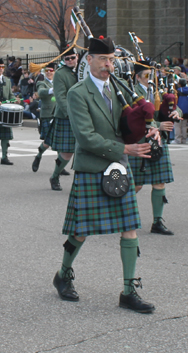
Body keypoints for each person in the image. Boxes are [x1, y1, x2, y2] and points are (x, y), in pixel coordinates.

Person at [52, 36, 158, 314]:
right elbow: (85, 138)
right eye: (102, 59)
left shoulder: (120, 86)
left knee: (129, 227)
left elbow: (140, 113)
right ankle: (63, 274)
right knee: (81, 231)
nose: (108, 65)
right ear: (89, 60)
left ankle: (128, 291)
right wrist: (124, 148)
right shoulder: (77, 93)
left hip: (119, 165)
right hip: (94, 166)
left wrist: (152, 126)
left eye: (111, 60)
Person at [129, 62, 181, 235]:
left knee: (159, 182)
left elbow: (171, 105)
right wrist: (159, 124)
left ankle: (157, 221)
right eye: (145, 75)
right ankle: (114, 213)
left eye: (151, 75)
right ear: (137, 76)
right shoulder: (132, 93)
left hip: (158, 141)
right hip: (141, 140)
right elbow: (132, 119)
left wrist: (176, 112)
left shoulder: (156, 90)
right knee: (136, 185)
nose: (150, 79)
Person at [43, 48, 79, 190]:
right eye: (67, 59)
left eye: (72, 57)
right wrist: (70, 113)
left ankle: (80, 181)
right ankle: (55, 176)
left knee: (85, 150)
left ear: (77, 57)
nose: (70, 60)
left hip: (84, 115)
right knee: (67, 152)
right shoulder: (60, 74)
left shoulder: (84, 71)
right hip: (67, 116)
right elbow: (60, 96)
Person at [31, 62, 57, 187]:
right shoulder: (42, 82)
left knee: (60, 141)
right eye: (47, 70)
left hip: (59, 114)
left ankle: (59, 166)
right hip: (47, 114)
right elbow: (41, 92)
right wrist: (53, 89)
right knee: (48, 141)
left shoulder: (59, 81)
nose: (49, 72)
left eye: (51, 70)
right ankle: (39, 155)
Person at [175, 78, 188, 144]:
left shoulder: (178, 91)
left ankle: (178, 140)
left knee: (177, 125)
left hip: (179, 110)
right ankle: (184, 140)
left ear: (179, 84)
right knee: (184, 126)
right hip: (187, 111)